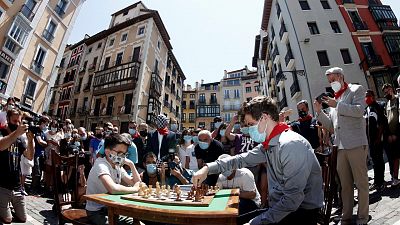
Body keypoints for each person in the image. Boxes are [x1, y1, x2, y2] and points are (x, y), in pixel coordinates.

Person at [193, 96, 323, 225]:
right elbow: (241, 159)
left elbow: (292, 200)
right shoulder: (269, 144)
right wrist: (207, 168)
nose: (249, 130)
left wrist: (255, 222)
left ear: (265, 118)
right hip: (281, 208)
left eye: (251, 125)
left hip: (301, 213)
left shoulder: (290, 145)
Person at [314, 67, 369, 225]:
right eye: (329, 81)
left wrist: (336, 104)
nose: (332, 83)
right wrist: (319, 113)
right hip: (340, 147)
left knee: (361, 182)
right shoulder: (334, 101)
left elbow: (359, 111)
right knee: (345, 186)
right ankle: (346, 217)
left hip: (356, 143)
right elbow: (332, 127)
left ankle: (363, 217)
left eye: (333, 79)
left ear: (341, 76)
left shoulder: (356, 89)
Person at [86, 134, 141, 225]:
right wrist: (135, 189)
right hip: (97, 212)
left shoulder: (117, 165)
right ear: (107, 152)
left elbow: (136, 182)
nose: (122, 157)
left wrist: (131, 164)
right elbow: (113, 189)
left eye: (124, 154)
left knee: (137, 223)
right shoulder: (101, 164)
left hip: (112, 208)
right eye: (119, 153)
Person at [0, 108, 35, 224]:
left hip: (16, 186)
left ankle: (7, 207)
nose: (18, 124)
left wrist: (30, 140)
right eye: (15, 121)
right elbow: (1, 146)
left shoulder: (20, 138)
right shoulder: (2, 131)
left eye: (19, 122)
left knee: (23, 219)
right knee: (7, 220)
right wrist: (17, 133)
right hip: (2, 185)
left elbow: (29, 156)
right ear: (8, 119)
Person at [216, 154, 261, 222]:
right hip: (231, 201)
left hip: (252, 203)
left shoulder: (245, 174)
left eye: (229, 174)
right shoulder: (221, 177)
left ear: (234, 168)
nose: (228, 177)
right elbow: (218, 192)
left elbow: (252, 194)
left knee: (235, 209)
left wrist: (233, 193)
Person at [364, 90, 386, 191]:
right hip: (370, 141)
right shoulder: (367, 109)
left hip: (377, 140)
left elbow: (381, 124)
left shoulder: (377, 107)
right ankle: (377, 181)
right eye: (365, 96)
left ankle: (381, 181)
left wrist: (378, 138)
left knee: (379, 160)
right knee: (374, 161)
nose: (366, 98)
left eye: (368, 96)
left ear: (373, 96)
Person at [382, 83, 400, 187]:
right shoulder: (387, 103)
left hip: (398, 133)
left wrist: (397, 134)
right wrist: (389, 134)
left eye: (388, 91)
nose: (386, 93)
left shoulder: (397, 100)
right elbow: (386, 120)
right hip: (392, 135)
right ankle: (396, 178)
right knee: (395, 157)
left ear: (391, 89)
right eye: (384, 92)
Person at [31, 116, 49, 193]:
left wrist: (45, 143)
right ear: (42, 123)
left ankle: (37, 187)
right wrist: (47, 143)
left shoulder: (42, 132)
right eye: (46, 124)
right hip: (36, 154)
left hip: (41, 154)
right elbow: (40, 141)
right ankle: (33, 187)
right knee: (36, 172)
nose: (46, 126)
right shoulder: (37, 130)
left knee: (40, 171)